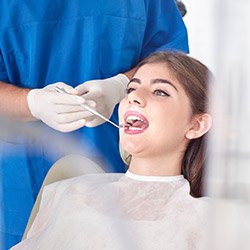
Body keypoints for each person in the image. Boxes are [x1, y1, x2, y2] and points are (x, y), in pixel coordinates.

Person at [0, 1, 189, 248]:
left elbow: (173, 58)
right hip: (22, 175)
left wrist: (122, 85)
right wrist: (31, 103)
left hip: (119, 162)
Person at [11, 51, 213, 250]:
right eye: (130, 89)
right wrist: (32, 102)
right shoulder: (69, 193)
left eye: (160, 92)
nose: (134, 98)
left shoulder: (211, 220)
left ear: (196, 125)